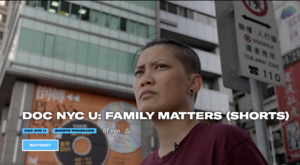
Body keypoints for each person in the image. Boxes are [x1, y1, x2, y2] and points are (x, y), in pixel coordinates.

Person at [132, 37, 269, 165]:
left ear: (193, 84)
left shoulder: (225, 141)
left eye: (160, 66)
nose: (144, 80)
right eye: (139, 73)